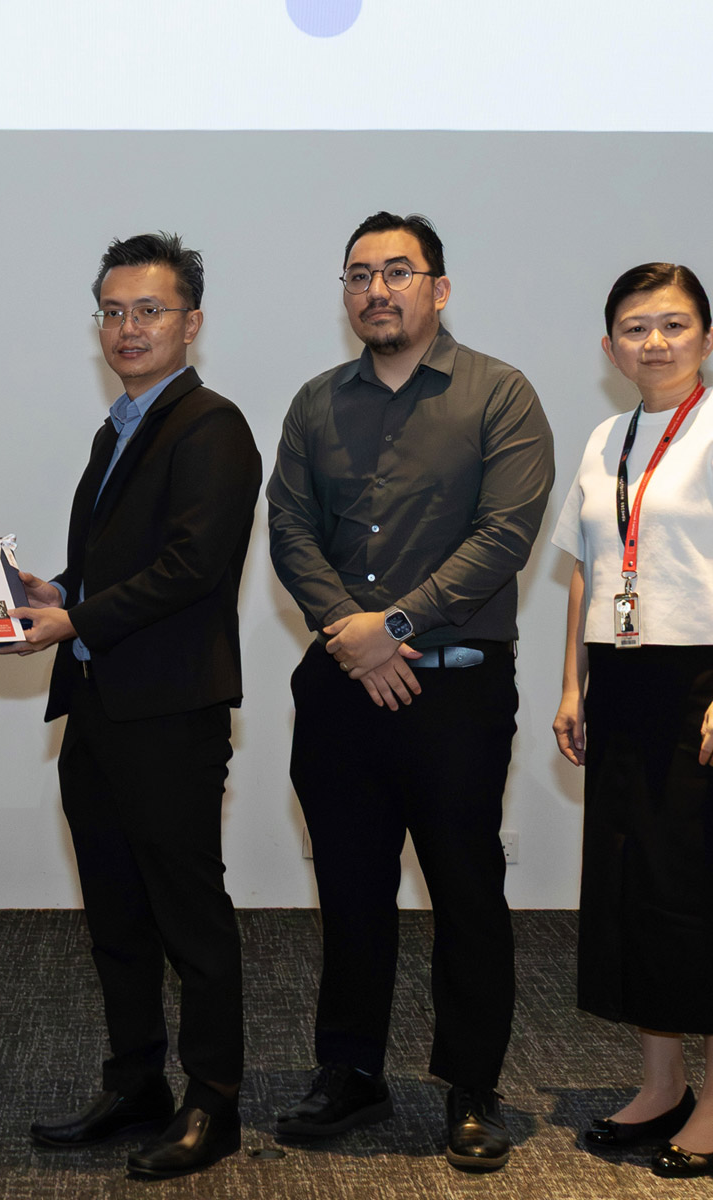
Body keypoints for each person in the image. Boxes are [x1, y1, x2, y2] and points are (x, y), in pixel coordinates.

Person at [266, 212, 554, 1172]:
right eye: (359, 274)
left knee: (467, 889)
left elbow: (504, 538)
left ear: (439, 287)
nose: (377, 290)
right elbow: (291, 532)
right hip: (342, 690)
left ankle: (471, 1086)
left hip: (457, 693)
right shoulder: (314, 403)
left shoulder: (500, 395)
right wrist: (352, 638)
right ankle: (350, 1072)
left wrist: (391, 627)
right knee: (349, 887)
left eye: (398, 271)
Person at [0, 233, 261, 1181]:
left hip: (171, 714)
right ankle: (135, 1084)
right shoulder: (119, 428)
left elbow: (193, 570)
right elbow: (123, 566)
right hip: (101, 707)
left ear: (192, 323)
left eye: (148, 310)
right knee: (115, 915)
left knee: (189, 917)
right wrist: (52, 589)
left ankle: (215, 1101)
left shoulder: (213, 427)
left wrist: (73, 618)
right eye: (112, 311)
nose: (127, 327)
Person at [551, 263, 713, 1178]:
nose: (655, 342)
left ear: (708, 339)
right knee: (633, 886)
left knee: (712, 890)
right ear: (609, 346)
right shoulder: (606, 437)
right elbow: (586, 568)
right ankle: (661, 1086)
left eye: (674, 325)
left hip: (706, 682)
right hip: (619, 680)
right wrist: (573, 684)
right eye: (636, 327)